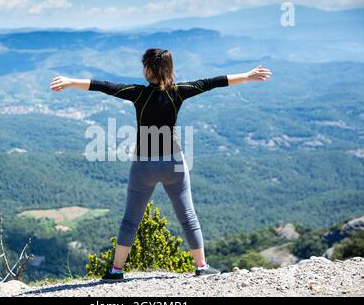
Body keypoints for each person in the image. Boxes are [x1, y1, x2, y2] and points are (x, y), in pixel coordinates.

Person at [50, 48, 272, 280]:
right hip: (173, 164)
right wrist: (248, 76)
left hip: (144, 166)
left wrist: (70, 81)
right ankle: (202, 266)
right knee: (188, 216)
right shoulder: (179, 92)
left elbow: (104, 85)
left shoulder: (138, 94)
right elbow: (214, 82)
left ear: (147, 69)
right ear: (169, 69)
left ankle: (116, 270)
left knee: (130, 221)